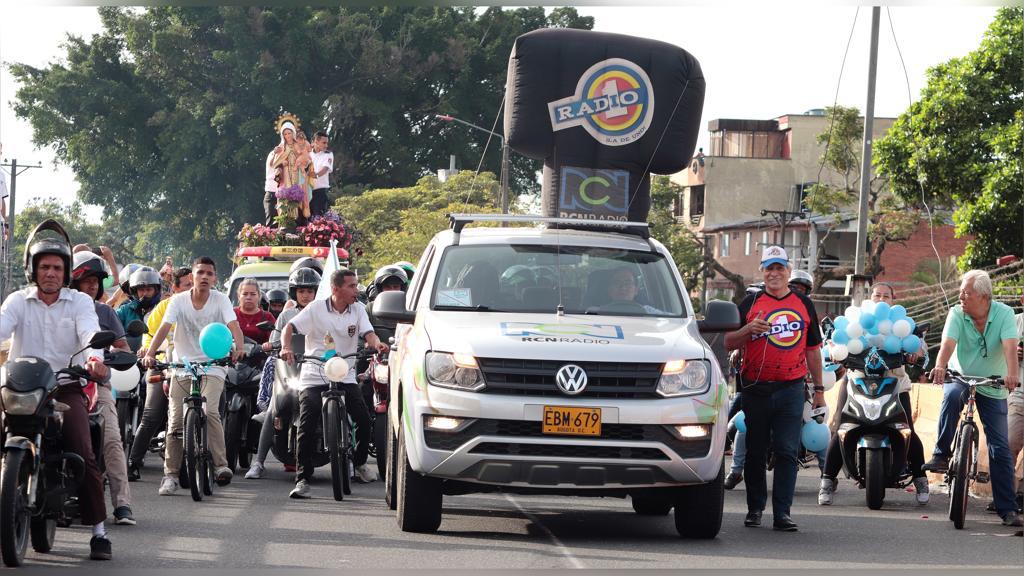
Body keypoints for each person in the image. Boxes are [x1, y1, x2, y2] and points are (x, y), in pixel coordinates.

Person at [0, 220, 113, 560]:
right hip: (20, 388)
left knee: (83, 448)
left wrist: (95, 360)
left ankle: (98, 531)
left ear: (66, 273)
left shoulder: (79, 302)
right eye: (44, 266)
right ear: (32, 269)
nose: (50, 273)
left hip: (63, 388)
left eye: (57, 267)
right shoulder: (18, 301)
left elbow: (90, 333)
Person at [724, 246, 824, 532]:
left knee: (786, 450)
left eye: (780, 268)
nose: (774, 273)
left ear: (789, 272)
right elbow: (727, 341)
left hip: (791, 388)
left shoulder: (804, 304)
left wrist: (819, 390)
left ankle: (782, 512)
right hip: (755, 388)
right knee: (755, 451)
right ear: (763, 272)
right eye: (769, 268)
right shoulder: (750, 303)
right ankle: (755, 508)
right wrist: (748, 330)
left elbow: (813, 350)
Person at [818, 281, 930, 506]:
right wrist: (833, 352)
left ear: (893, 300)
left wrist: (914, 355)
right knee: (840, 427)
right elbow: (833, 342)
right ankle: (827, 481)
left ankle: (920, 478)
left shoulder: (902, 323)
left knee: (907, 429)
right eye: (877, 295)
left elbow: (919, 347)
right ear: (870, 298)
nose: (881, 299)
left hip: (896, 383)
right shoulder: (856, 321)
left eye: (886, 296)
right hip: (856, 381)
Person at [925, 269, 1022, 527]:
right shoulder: (957, 313)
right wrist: (940, 366)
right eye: (961, 293)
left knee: (1000, 447)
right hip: (961, 376)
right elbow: (947, 344)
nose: (961, 297)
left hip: (994, 383)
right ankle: (941, 454)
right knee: (951, 398)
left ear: (982, 296)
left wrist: (1012, 375)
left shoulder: (1004, 314)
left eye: (966, 293)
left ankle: (1008, 510)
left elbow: (1010, 346)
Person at [280, 269, 389, 498]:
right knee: (306, 424)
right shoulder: (316, 308)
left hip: (344, 373)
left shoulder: (358, 309)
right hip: (314, 373)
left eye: (356, 285)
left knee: (362, 418)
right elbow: (290, 328)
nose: (356, 290)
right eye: (351, 286)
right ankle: (302, 478)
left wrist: (377, 344)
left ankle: (359, 462)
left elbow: (369, 333)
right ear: (335, 288)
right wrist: (286, 347)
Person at [141, 256, 245, 495]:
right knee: (175, 422)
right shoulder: (178, 301)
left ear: (215, 278)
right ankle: (170, 476)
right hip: (182, 365)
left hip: (213, 365)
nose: (205, 277)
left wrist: (239, 348)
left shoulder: (220, 300)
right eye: (201, 273)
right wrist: (150, 355)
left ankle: (220, 466)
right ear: (193, 277)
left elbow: (234, 326)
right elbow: (163, 329)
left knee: (209, 411)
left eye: (210, 273)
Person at [70, 251, 136, 526]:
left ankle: (122, 504)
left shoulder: (105, 312)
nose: (93, 285)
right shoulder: (59, 308)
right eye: (87, 280)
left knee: (111, 439)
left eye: (96, 280)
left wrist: (104, 355)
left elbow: (124, 347)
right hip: (61, 385)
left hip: (97, 386)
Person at [245, 267, 321, 479]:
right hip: (290, 369)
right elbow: (276, 338)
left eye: (310, 291)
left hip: (318, 370)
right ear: (294, 292)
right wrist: (270, 344)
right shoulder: (287, 314)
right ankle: (258, 462)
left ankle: (348, 461)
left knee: (340, 405)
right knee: (273, 408)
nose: (306, 295)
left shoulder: (323, 312)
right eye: (301, 291)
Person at [127, 266, 193, 480]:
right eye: (186, 286)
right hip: (163, 366)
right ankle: (133, 463)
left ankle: (207, 460)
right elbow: (149, 336)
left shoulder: (204, 306)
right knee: (151, 415)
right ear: (174, 288)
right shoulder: (163, 308)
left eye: (194, 285)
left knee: (210, 411)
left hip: (194, 369)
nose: (192, 289)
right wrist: (149, 352)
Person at [116, 266, 162, 352]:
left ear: (156, 291)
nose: (145, 293)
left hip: (160, 360)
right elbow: (112, 327)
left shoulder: (163, 310)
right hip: (129, 360)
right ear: (135, 291)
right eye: (141, 290)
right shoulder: (125, 310)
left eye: (149, 289)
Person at [234, 278, 276, 345]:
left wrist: (268, 344)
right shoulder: (231, 314)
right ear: (239, 296)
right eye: (245, 294)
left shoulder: (267, 316)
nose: (248, 297)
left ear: (259, 296)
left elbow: (275, 339)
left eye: (253, 294)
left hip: (260, 354)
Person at [310, 131, 334, 218]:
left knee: (319, 218)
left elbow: (325, 169)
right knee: (307, 218)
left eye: (327, 143)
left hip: (320, 191)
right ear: (316, 141)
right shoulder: (308, 154)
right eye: (324, 143)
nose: (326, 145)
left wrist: (315, 175)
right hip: (307, 191)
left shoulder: (328, 154)